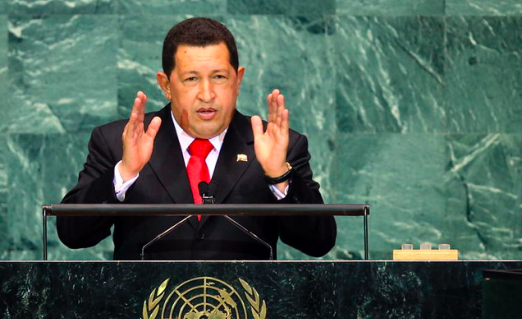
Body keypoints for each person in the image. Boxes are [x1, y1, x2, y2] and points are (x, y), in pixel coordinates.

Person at [56, 17, 336, 260]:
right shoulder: (119, 141)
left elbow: (318, 243)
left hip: (245, 315)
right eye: (191, 79)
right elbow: (72, 235)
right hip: (145, 315)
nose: (206, 94)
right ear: (166, 85)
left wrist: (279, 176)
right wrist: (124, 173)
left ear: (238, 81)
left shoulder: (276, 145)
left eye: (219, 77)